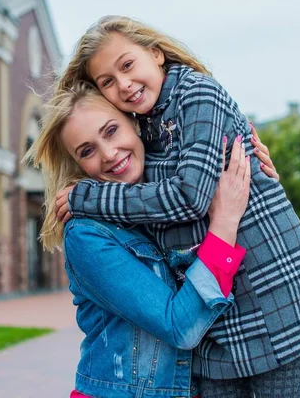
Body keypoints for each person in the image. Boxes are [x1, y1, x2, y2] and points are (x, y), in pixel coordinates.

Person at [55, 15, 300, 397]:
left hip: (270, 303)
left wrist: (85, 197)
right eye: (107, 81)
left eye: (127, 65)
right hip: (213, 318)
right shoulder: (146, 128)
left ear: (156, 53)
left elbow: (190, 197)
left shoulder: (197, 94)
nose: (123, 84)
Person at [26, 82, 270, 397]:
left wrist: (259, 168)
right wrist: (224, 222)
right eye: (87, 150)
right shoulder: (86, 234)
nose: (109, 154)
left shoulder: (172, 197)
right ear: (77, 165)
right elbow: (180, 327)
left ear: (133, 123)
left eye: (111, 131)